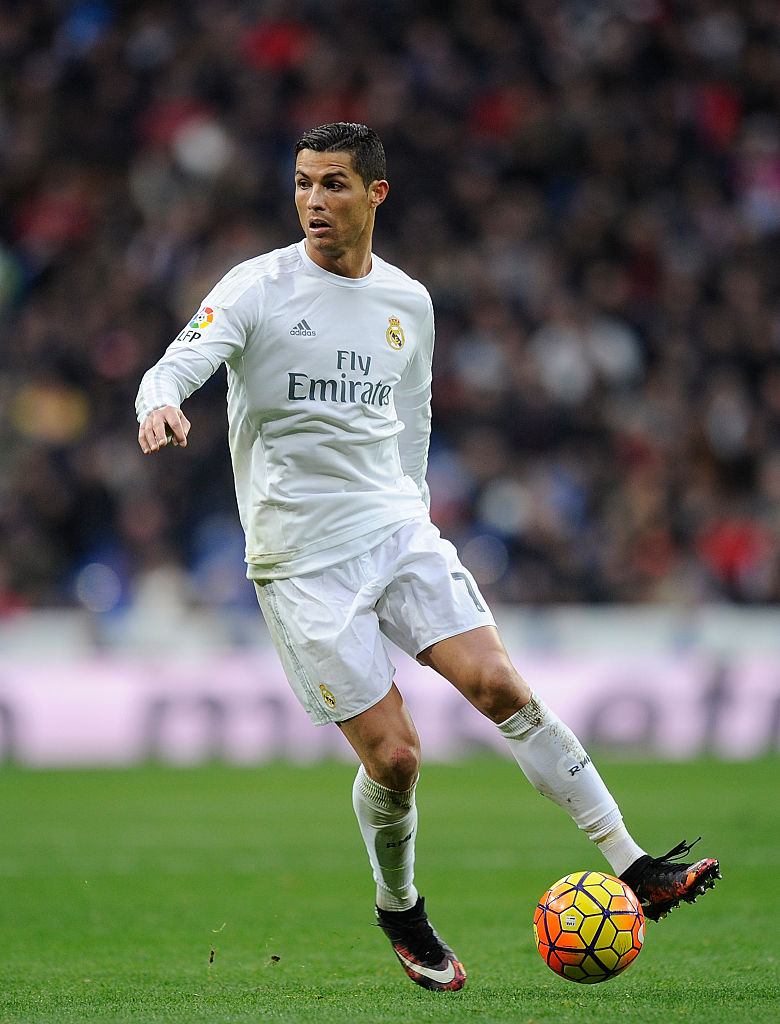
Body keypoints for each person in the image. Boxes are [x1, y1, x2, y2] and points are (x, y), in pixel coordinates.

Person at [136, 122, 720, 991]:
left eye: (333, 184)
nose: (312, 201)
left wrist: (412, 512)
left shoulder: (408, 302)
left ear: (376, 193)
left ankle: (636, 866)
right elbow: (174, 366)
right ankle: (400, 907)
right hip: (300, 559)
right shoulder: (256, 287)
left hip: (396, 529)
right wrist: (160, 405)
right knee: (397, 760)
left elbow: (413, 423)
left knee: (501, 686)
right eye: (301, 183)